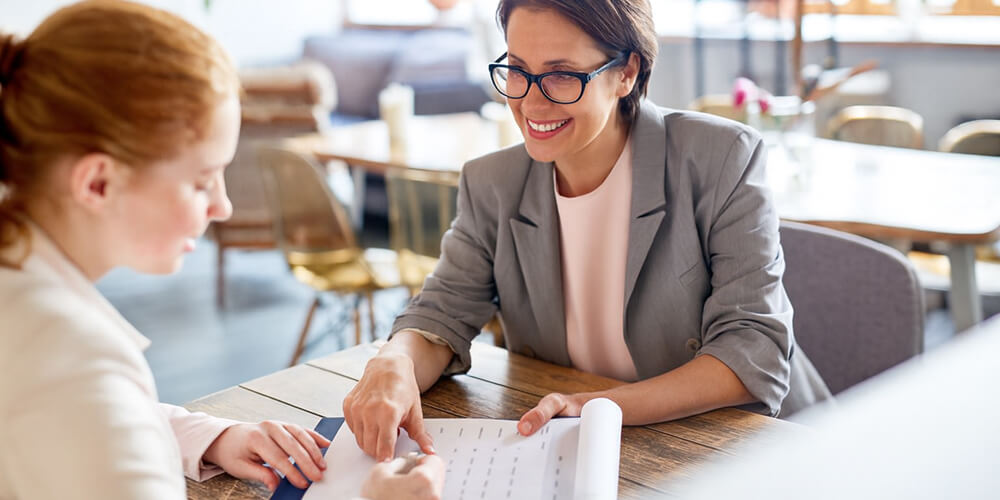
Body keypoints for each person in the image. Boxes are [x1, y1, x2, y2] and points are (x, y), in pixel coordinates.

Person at [343, 0, 832, 462]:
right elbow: (441, 315)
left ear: (627, 72)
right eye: (517, 69)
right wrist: (396, 361)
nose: (531, 102)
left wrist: (598, 407)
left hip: (758, 448)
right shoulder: (492, 183)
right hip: (588, 448)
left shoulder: (722, 158)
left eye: (560, 75)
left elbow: (754, 351)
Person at [0, 2, 442, 499]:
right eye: (202, 180)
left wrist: (210, 436)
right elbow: (86, 406)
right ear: (98, 183)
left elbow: (81, 425)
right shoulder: (74, 363)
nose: (223, 207)